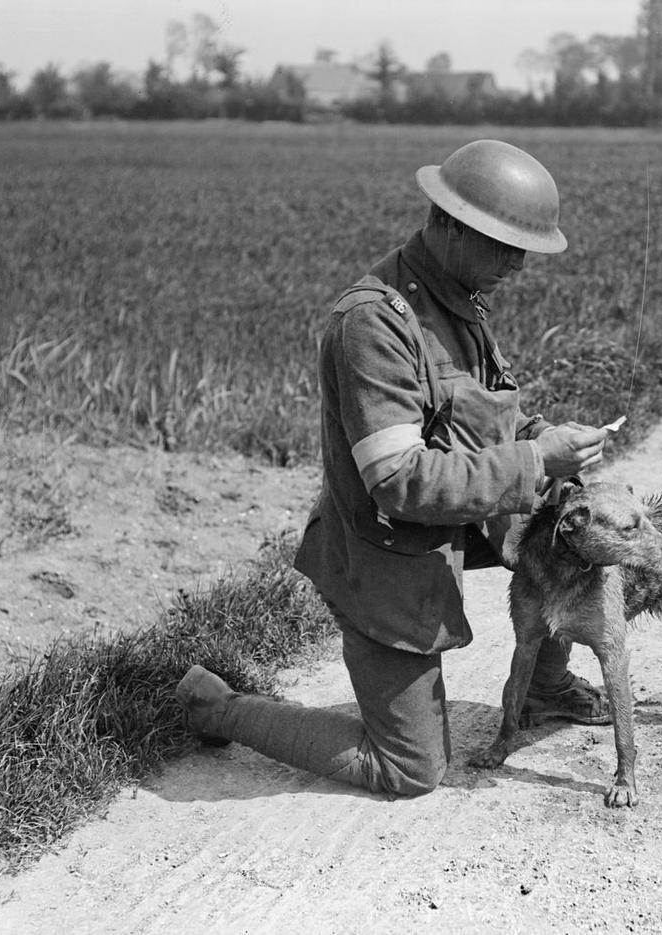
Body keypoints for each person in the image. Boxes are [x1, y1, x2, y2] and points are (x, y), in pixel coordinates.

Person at [176, 139, 610, 797]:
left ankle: (545, 686)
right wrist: (529, 461)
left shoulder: (455, 298)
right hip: (386, 547)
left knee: (576, 525)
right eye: (503, 244)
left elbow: (484, 415)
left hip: (448, 519)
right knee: (410, 769)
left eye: (524, 248)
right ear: (446, 224)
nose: (517, 264)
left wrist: (545, 442)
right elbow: (400, 480)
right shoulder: (374, 322)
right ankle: (214, 706)